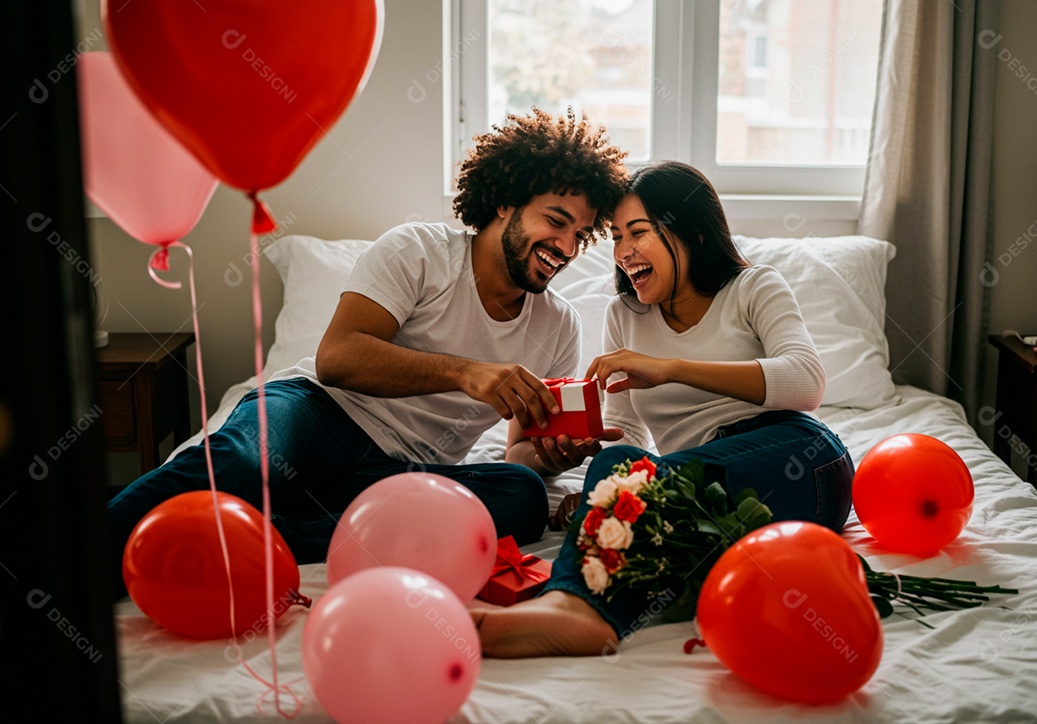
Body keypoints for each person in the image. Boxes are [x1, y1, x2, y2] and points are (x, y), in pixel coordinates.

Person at [107, 108, 628, 596]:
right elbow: (340, 358)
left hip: (401, 471)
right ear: (506, 201)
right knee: (244, 458)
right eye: (556, 221)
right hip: (318, 414)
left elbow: (518, 452)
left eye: (582, 234)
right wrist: (467, 374)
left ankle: (270, 534)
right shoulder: (420, 252)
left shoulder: (558, 325)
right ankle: (81, 558)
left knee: (522, 495)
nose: (567, 246)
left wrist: (550, 455)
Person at [473, 160, 855, 658]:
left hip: (801, 462)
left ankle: (569, 604)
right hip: (703, 497)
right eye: (614, 236)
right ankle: (587, 614)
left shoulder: (754, 287)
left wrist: (671, 367)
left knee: (627, 479)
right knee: (618, 470)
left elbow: (806, 382)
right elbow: (628, 430)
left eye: (638, 232)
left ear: (690, 231)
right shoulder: (623, 314)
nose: (623, 251)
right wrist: (598, 493)